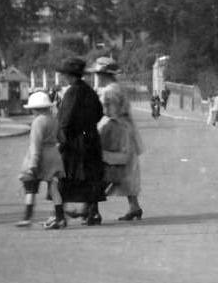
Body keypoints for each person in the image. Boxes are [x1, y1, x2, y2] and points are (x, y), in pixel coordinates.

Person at [56, 57, 105, 226]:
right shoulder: (89, 90)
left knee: (67, 176)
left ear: (70, 76)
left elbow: (65, 120)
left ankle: (61, 213)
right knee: (91, 176)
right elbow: (99, 113)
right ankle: (93, 212)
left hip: (75, 141)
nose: (63, 77)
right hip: (91, 137)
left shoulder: (72, 92)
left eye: (64, 74)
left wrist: (61, 139)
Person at [16, 91, 64, 228]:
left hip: (40, 156)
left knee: (30, 186)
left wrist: (33, 164)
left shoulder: (38, 122)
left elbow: (35, 144)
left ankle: (27, 217)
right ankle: (60, 217)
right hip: (53, 155)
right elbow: (62, 138)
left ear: (35, 109)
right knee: (54, 188)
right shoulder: (54, 119)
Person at [99, 77, 144, 222]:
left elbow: (108, 111)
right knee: (128, 174)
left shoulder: (109, 92)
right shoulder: (119, 90)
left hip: (119, 138)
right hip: (127, 134)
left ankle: (90, 207)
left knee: (114, 171)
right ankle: (134, 206)